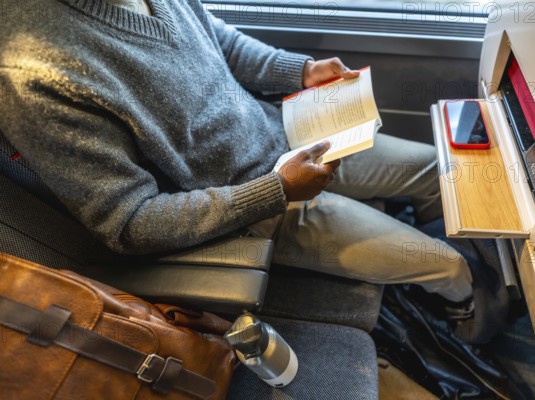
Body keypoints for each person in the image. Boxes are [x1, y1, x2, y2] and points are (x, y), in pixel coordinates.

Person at [0, 0, 473, 311]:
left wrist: (300, 71)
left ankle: (444, 248)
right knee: (448, 265)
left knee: (442, 169)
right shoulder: (32, 73)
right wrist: (278, 190)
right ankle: (468, 315)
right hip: (250, 204)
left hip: (283, 133)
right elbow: (129, 222)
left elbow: (213, 39)